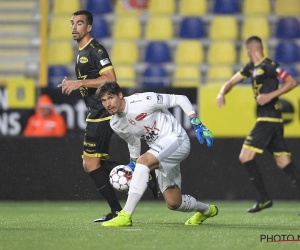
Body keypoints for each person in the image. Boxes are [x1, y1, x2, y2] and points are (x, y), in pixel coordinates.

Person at [57, 10, 158, 222]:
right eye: (72, 23)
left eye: (80, 23)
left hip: (102, 112)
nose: (74, 27)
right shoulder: (81, 51)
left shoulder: (95, 49)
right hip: (96, 112)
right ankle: (142, 175)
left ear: (89, 27)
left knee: (91, 164)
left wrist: (80, 83)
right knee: (92, 164)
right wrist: (74, 83)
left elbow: (111, 78)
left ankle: (120, 207)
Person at [94, 81, 218, 227]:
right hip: (161, 150)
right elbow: (133, 141)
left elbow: (180, 99)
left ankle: (125, 215)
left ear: (120, 95)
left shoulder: (143, 100)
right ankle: (207, 210)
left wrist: (196, 122)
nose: (108, 104)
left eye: (110, 98)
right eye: (103, 100)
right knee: (173, 203)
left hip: (177, 140)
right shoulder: (115, 123)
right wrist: (133, 163)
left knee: (144, 161)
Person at [216, 36, 300, 213]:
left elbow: (292, 82)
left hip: (268, 119)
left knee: (245, 156)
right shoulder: (250, 68)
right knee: (284, 161)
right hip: (272, 120)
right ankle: (264, 199)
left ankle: (264, 199)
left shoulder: (269, 65)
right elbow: (231, 82)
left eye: (246, 51)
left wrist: (270, 95)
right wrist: (222, 93)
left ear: (250, 50)